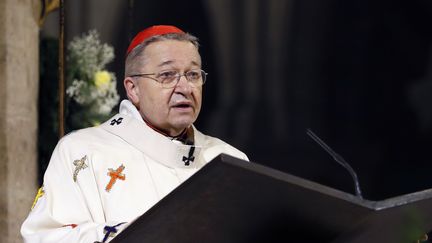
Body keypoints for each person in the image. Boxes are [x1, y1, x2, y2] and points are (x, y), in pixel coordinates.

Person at [21, 25, 248, 243]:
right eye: (167, 75)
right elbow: (44, 237)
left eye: (193, 74)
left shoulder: (227, 159)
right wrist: (139, 234)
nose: (185, 88)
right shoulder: (83, 152)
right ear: (133, 89)